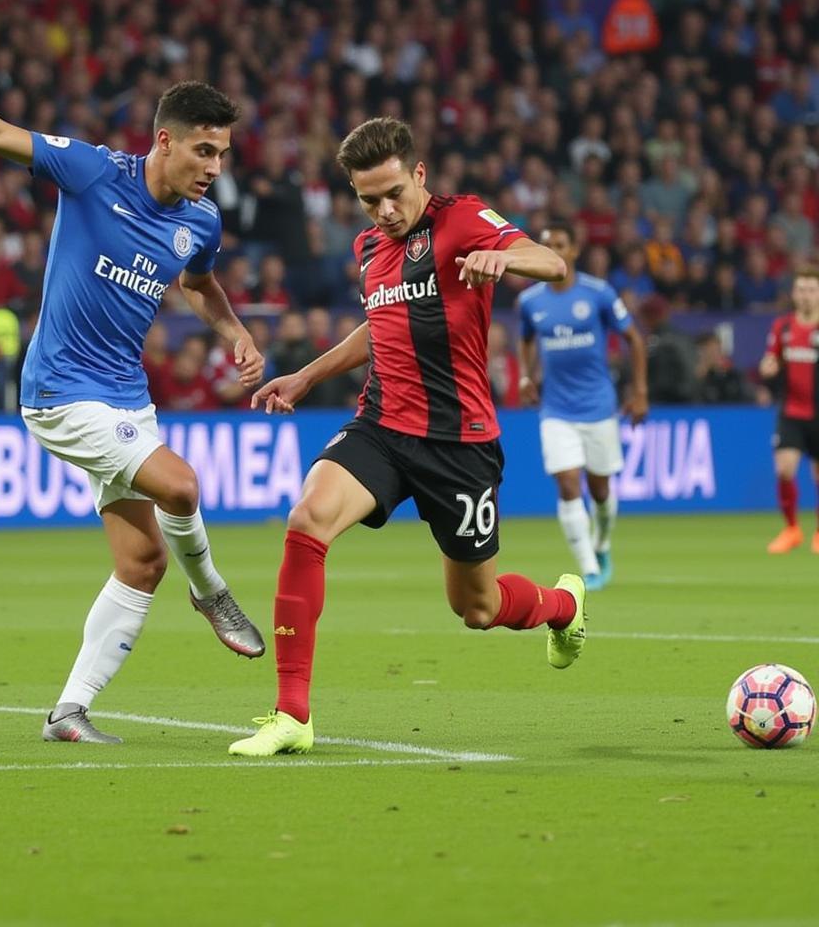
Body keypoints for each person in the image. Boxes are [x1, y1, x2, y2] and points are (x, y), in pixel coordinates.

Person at [0, 49, 267, 743]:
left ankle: (69, 711)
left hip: (127, 397)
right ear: (164, 140)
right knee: (181, 487)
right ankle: (212, 591)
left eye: (222, 154)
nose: (214, 167)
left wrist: (235, 331)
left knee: (143, 562)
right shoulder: (92, 172)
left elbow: (199, 283)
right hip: (61, 393)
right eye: (203, 150)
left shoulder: (200, 222)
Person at [228, 117, 582, 758]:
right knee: (307, 519)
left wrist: (504, 256)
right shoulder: (369, 248)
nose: (385, 211)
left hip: (460, 443)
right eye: (370, 200)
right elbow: (378, 327)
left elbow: (552, 263)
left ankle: (562, 606)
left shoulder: (464, 218)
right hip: (383, 426)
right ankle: (291, 714)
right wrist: (306, 375)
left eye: (394, 193)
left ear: (419, 174)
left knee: (475, 606)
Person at [517, 222, 648, 590]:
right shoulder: (530, 301)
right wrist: (527, 376)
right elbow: (525, 340)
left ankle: (602, 544)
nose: (554, 250)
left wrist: (640, 392)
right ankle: (589, 567)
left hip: (599, 407)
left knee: (601, 489)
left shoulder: (598, 293)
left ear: (574, 250)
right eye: (546, 245)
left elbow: (634, 340)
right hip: (556, 411)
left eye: (560, 243)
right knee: (568, 483)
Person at [758, 267, 819, 555]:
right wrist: (768, 367)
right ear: (794, 293)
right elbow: (771, 360)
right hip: (792, 411)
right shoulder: (782, 327)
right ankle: (792, 528)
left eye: (811, 289)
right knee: (784, 469)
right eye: (801, 289)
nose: (806, 295)